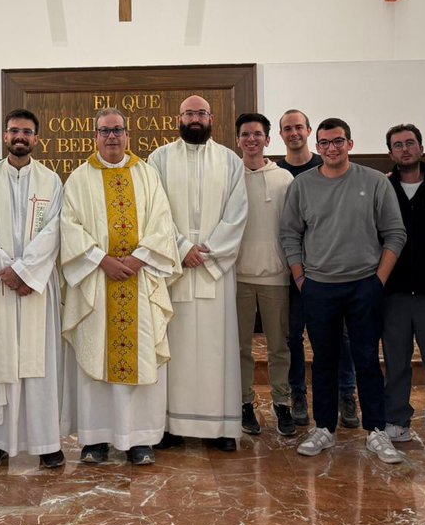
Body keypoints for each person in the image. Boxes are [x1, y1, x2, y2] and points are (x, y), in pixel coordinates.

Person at [279, 118, 407, 464]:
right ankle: (324, 428)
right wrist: (301, 279)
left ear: (350, 144)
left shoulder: (374, 181)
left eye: (338, 141)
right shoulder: (303, 185)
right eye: (324, 143)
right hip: (319, 287)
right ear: (317, 146)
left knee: (366, 358)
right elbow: (290, 233)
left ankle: (376, 430)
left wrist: (378, 281)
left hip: (365, 284)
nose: (331, 148)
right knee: (324, 360)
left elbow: (395, 233)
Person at [60, 108, 181, 465]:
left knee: (141, 355)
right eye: (104, 131)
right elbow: (69, 226)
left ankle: (139, 439)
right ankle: (95, 439)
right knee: (95, 354)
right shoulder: (79, 178)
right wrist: (102, 260)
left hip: (140, 279)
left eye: (117, 130)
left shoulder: (147, 174)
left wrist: (139, 258)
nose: (111, 137)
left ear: (128, 135)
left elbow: (162, 222)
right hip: (97, 281)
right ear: (94, 136)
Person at [147, 95, 247, 452]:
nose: (195, 118)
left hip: (215, 270)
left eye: (201, 113)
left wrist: (209, 252)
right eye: (189, 113)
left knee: (218, 349)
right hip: (174, 270)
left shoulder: (230, 160)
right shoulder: (159, 159)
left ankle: (222, 427)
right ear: (179, 118)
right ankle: (170, 426)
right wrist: (180, 248)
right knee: (174, 349)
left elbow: (237, 212)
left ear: (211, 118)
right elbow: (154, 210)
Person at [0, 109, 65, 469]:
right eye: (13, 131)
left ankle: (45, 442)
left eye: (26, 131)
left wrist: (25, 272)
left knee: (40, 363)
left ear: (36, 138)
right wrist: (7, 271)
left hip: (36, 286)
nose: (20, 137)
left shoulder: (51, 181)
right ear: (5, 137)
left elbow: (54, 230)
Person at [275, 109, 359, 429]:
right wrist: (296, 272)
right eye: (287, 128)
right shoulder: (277, 172)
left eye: (299, 127)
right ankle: (298, 393)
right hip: (293, 272)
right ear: (280, 135)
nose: (294, 132)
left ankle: (346, 393)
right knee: (293, 337)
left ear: (309, 131)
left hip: (330, 271)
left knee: (342, 336)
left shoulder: (327, 164)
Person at [380, 123, 425, 457]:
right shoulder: (384, 188)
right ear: (391, 153)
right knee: (396, 360)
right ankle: (397, 420)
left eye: (410, 143)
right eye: (398, 145)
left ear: (421, 148)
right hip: (393, 293)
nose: (405, 149)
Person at [233, 112, 295, 437]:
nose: (251, 139)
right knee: (240, 347)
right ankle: (245, 402)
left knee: (278, 346)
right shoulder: (231, 177)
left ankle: (281, 403)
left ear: (268, 139)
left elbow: (294, 226)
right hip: (238, 276)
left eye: (257, 134)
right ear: (238, 140)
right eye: (245, 134)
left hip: (275, 276)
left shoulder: (284, 179)